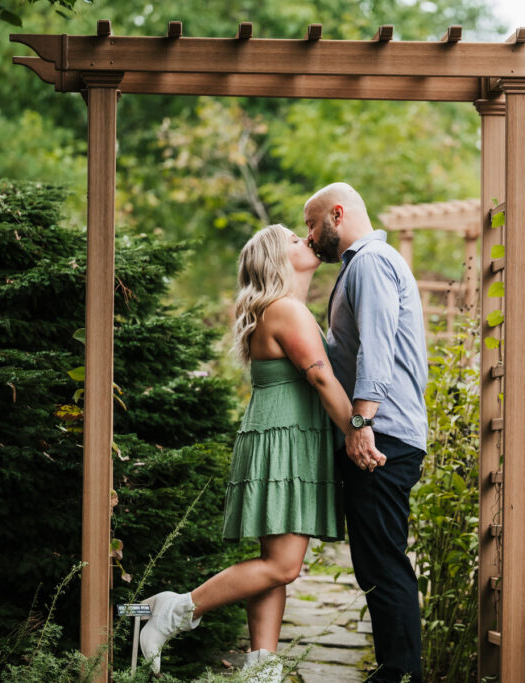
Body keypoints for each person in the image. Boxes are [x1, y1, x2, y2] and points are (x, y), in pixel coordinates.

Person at [137, 224, 384, 678]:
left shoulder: (279, 309)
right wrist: (357, 428)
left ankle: (260, 671)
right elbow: (322, 378)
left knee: (275, 564)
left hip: (281, 436)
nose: (305, 240)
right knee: (284, 567)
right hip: (285, 440)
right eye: (293, 239)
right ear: (276, 260)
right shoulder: (286, 310)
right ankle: (177, 609)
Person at [304, 183, 429, 683]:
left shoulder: (372, 261)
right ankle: (396, 670)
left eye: (313, 226)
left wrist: (360, 424)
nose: (311, 238)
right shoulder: (364, 265)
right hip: (386, 433)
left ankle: (398, 676)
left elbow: (377, 349)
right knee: (378, 564)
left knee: (383, 566)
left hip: (382, 437)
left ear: (337, 213)